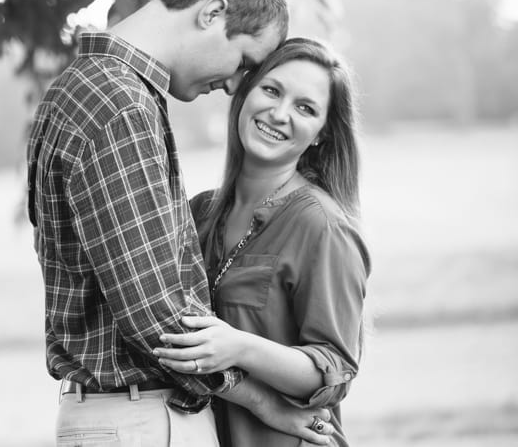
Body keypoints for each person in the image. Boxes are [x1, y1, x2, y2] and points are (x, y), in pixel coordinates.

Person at [27, 0, 336, 447]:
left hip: (122, 417)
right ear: (213, 12)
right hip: (141, 419)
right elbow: (160, 318)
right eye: (244, 60)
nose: (238, 85)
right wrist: (260, 400)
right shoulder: (119, 105)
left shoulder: (87, 88)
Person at [152, 37, 371, 446]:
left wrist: (239, 348)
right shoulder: (198, 214)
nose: (280, 113)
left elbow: (335, 369)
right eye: (271, 90)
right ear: (245, 94)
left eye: (305, 108)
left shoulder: (320, 225)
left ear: (322, 134)